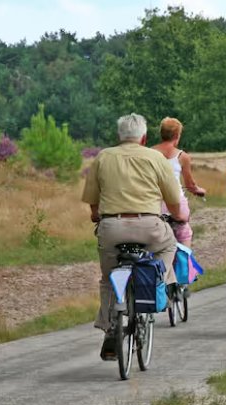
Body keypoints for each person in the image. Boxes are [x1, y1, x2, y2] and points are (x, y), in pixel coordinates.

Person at [82, 113, 183, 360]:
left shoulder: (103, 157)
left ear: (119, 136)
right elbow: (174, 200)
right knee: (169, 246)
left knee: (107, 279)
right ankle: (160, 281)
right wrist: (178, 217)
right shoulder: (155, 157)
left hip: (112, 227)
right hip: (149, 226)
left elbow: (93, 206)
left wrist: (99, 217)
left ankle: (109, 326)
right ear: (144, 137)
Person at [152, 117, 206, 248]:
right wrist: (200, 191)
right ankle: (183, 261)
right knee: (184, 233)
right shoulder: (182, 156)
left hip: (154, 203)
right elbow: (190, 185)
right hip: (175, 202)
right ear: (177, 135)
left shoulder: (149, 153)